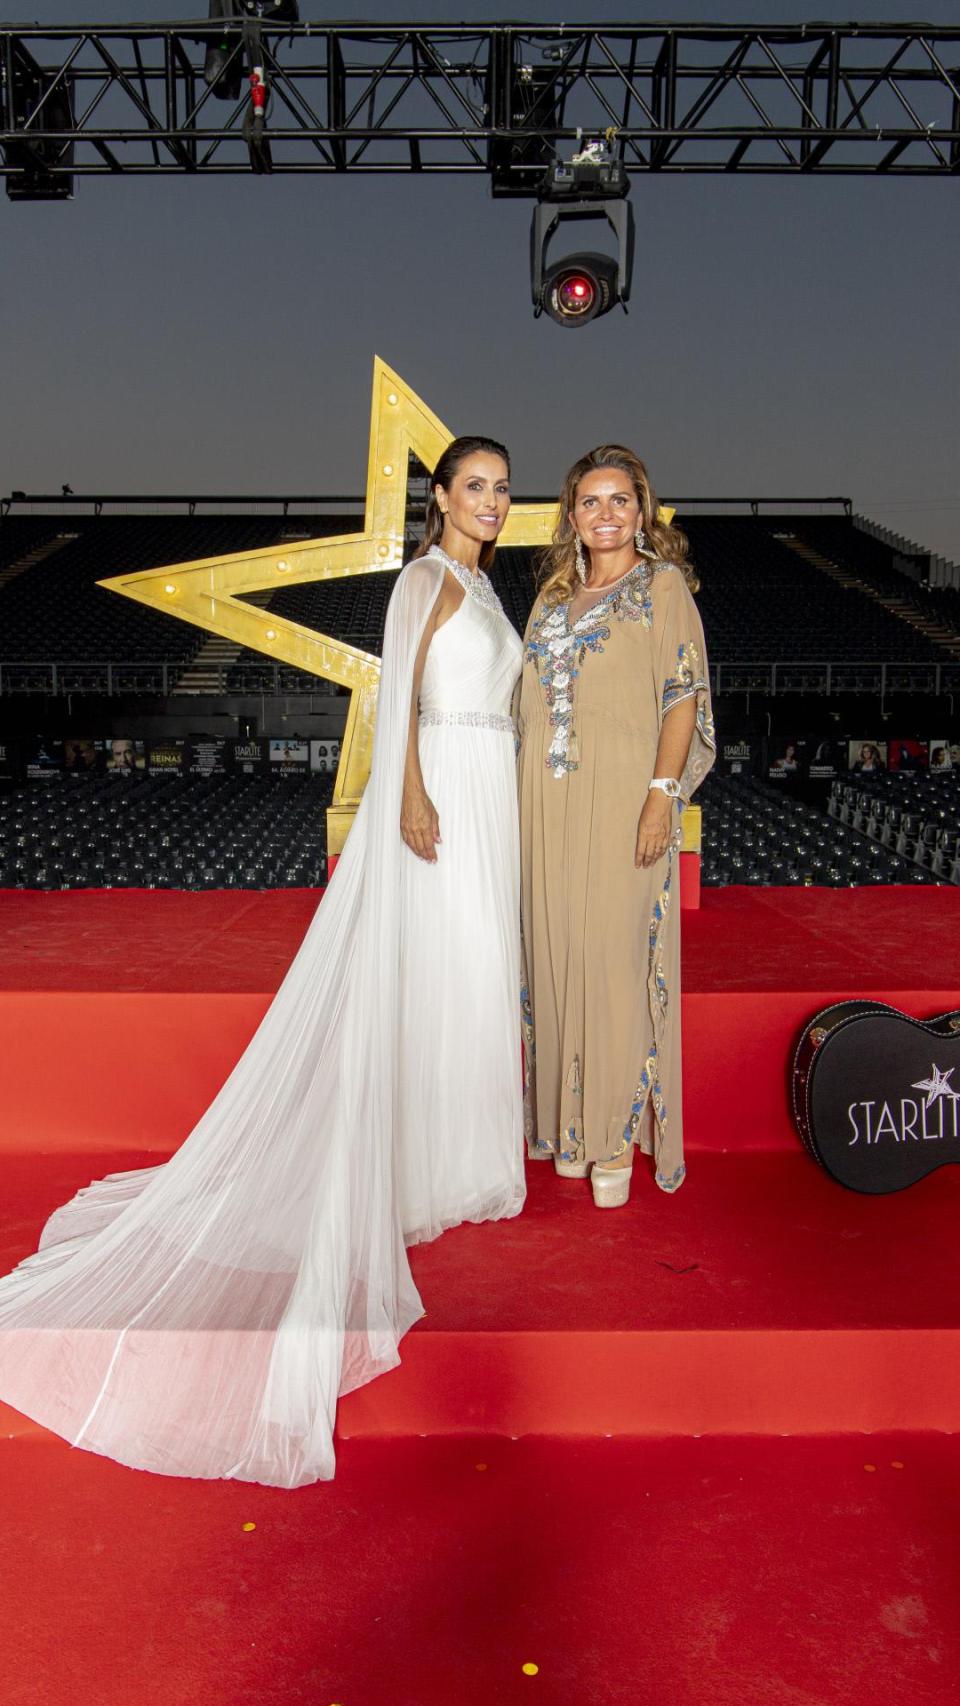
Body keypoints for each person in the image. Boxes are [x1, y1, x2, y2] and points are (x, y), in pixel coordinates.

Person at [0, 436, 525, 1488]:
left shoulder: (485, 587)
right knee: (430, 969)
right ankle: (411, 1160)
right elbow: (403, 692)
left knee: (475, 971)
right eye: (475, 486)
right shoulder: (424, 578)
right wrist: (410, 792)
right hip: (439, 787)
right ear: (439, 495)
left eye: (504, 488)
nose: (493, 501)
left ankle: (460, 1155)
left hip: (493, 785)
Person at [517, 446, 715, 1208]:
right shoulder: (550, 600)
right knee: (556, 956)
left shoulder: (661, 588)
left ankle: (613, 1139)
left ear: (642, 511)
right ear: (571, 516)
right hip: (547, 805)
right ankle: (569, 1129)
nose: (606, 515)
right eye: (591, 502)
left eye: (620, 500)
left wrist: (663, 796)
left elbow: (682, 695)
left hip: (626, 800)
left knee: (612, 964)